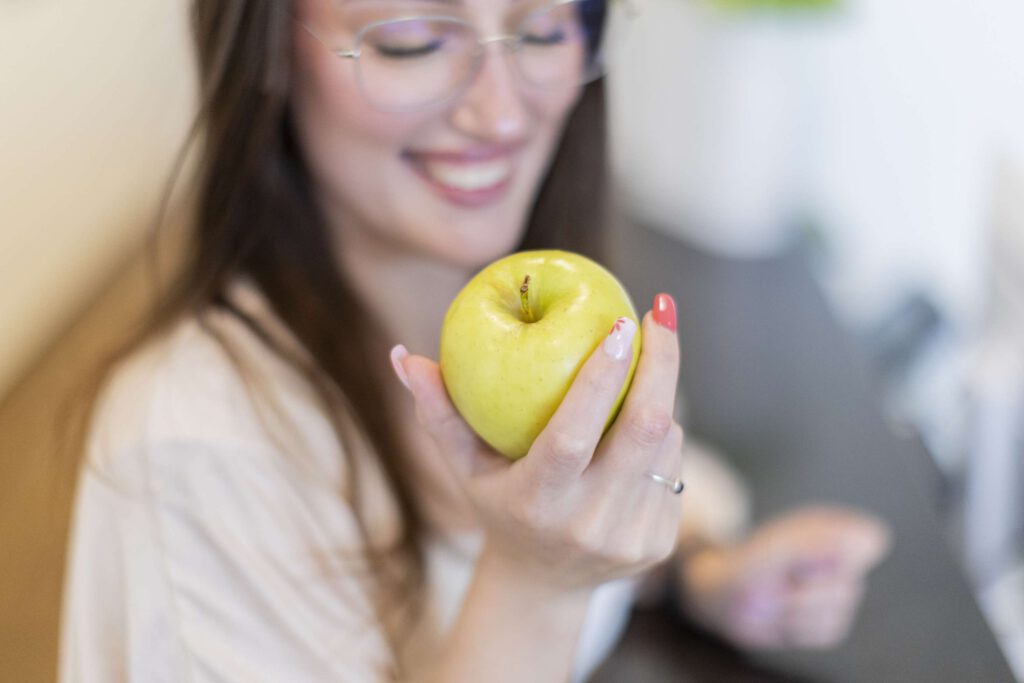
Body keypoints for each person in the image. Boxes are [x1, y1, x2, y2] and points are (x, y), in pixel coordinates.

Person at [60, 0, 892, 681]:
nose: (499, 111)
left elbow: (628, 511)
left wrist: (696, 572)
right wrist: (535, 585)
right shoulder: (191, 453)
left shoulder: (507, 302)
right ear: (269, 48)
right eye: (413, 41)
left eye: (540, 30)